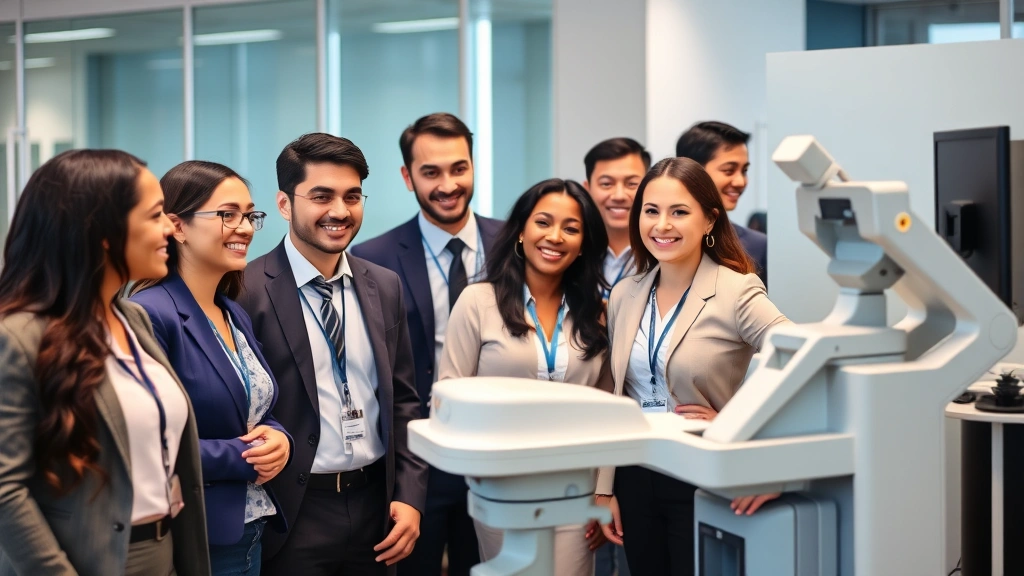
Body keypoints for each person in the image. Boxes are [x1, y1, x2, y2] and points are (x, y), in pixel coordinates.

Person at [0, 150, 210, 576]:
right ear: (101, 233)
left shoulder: (131, 316)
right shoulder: (19, 337)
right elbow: (5, 490)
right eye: (154, 216)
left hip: (166, 548)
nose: (170, 227)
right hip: (90, 560)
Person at [239, 133, 427, 576]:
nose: (340, 211)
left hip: (376, 508)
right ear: (284, 204)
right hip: (293, 510)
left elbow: (404, 400)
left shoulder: (384, 285)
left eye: (352, 196)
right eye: (321, 196)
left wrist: (409, 495)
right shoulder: (246, 292)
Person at [597, 157, 788, 576]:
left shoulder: (737, 290)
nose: (662, 225)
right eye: (651, 211)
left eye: (679, 212)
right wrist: (605, 488)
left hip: (701, 472)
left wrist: (737, 424)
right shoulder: (626, 293)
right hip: (635, 472)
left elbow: (802, 364)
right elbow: (618, 393)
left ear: (709, 221)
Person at [351, 113, 502, 576]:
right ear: (407, 176)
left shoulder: (513, 247)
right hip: (418, 460)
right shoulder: (373, 259)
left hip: (498, 452)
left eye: (459, 168)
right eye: (430, 172)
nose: (448, 184)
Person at [439, 178, 613, 576]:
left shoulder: (598, 312)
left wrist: (604, 491)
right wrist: (481, 466)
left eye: (571, 228)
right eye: (544, 222)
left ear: (584, 242)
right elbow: (449, 395)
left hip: (576, 488)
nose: (555, 236)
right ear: (521, 230)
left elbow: (610, 408)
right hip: (503, 488)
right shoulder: (478, 301)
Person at [130, 161, 293, 576]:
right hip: (196, 533)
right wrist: (245, 455)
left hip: (250, 527)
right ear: (177, 227)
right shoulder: (151, 314)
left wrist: (280, 438)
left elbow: (255, 408)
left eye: (250, 215)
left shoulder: (232, 312)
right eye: (227, 214)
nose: (246, 227)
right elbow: (145, 445)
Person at [676, 121, 768, 286]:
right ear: (692, 172)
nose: (740, 181)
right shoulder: (662, 238)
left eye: (744, 171)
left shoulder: (757, 246)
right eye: (728, 171)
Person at [582, 137, 651, 303]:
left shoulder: (664, 252)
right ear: (587, 189)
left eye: (632, 184)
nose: (619, 196)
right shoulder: (574, 250)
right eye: (606, 184)